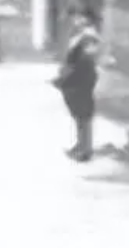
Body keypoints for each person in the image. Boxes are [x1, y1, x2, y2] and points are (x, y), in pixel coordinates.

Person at [52, 4, 100, 162]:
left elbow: (85, 60)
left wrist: (69, 76)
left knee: (84, 115)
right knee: (79, 115)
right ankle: (81, 145)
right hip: (77, 79)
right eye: (74, 17)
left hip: (82, 79)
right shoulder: (80, 34)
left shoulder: (89, 36)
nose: (76, 20)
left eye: (79, 17)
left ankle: (85, 149)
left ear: (87, 19)